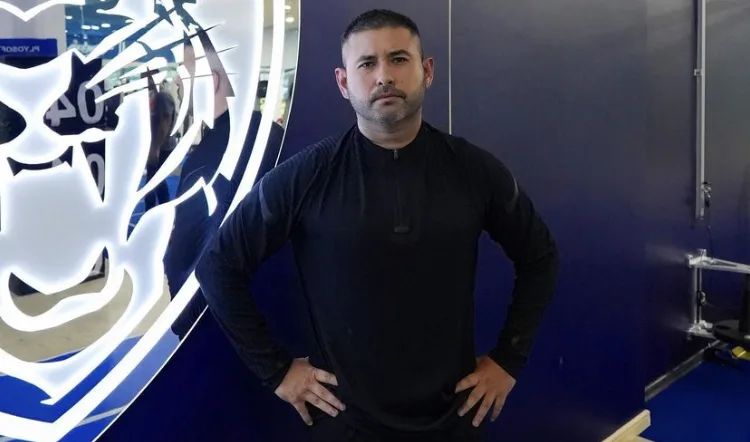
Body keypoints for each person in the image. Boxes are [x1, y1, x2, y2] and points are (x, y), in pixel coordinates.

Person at [195, 9, 561, 442]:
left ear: (427, 71)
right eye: (367, 64)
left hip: (454, 418)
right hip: (346, 422)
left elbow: (540, 257)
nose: (384, 76)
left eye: (398, 59)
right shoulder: (308, 176)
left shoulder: (473, 171)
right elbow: (217, 267)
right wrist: (276, 371)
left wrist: (509, 360)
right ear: (343, 83)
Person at [164, 35, 284, 339]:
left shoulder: (209, 161)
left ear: (212, 81)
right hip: (272, 316)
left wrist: (184, 328)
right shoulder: (272, 135)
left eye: (184, 74)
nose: (176, 82)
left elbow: (191, 265)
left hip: (219, 334)